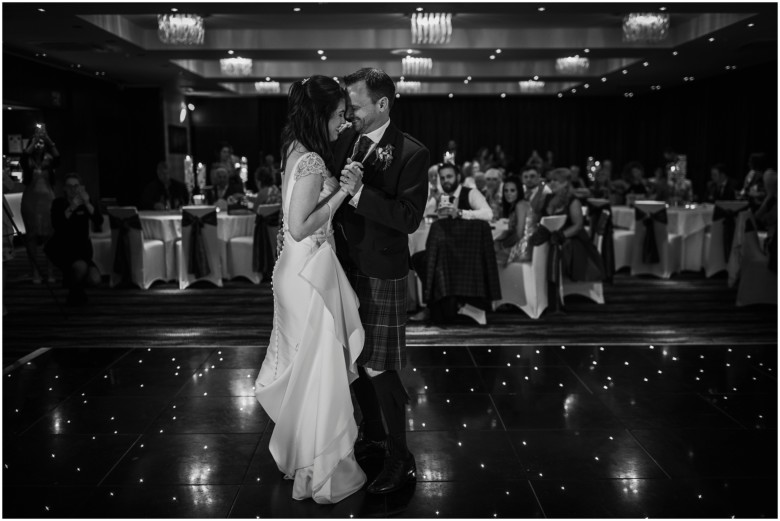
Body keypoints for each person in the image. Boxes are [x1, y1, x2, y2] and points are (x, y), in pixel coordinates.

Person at [254, 75, 365, 504]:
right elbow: (300, 228)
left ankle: (305, 462)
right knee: (317, 373)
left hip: (298, 272)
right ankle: (319, 469)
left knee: (305, 370)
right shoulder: (313, 160)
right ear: (321, 114)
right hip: (307, 274)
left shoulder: (296, 151)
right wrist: (344, 193)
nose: (344, 122)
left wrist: (334, 190)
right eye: (339, 114)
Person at [334, 68, 429, 495]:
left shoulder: (411, 153)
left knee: (381, 365)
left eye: (354, 106)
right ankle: (371, 437)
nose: (348, 114)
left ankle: (400, 457)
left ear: (382, 104)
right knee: (356, 362)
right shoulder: (345, 142)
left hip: (381, 272)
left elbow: (409, 219)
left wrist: (358, 194)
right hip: (342, 267)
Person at [410, 162, 493, 320]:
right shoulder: (445, 197)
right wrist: (432, 199)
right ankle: (439, 305)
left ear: (458, 177)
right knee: (420, 259)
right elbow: (424, 213)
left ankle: (436, 308)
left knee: (429, 261)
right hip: (447, 252)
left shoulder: (471, 193)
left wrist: (461, 213)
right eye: (442, 178)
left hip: (468, 255)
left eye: (449, 176)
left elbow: (488, 214)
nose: (446, 180)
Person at [44, 173, 103, 305]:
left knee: (95, 279)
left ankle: (73, 284)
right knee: (80, 267)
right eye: (69, 186)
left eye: (76, 186)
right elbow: (58, 225)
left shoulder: (85, 204)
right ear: (64, 188)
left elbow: (99, 221)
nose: (73, 189)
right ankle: (74, 291)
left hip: (82, 250)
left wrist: (87, 203)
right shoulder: (59, 203)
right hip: (63, 248)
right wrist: (72, 207)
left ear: (81, 188)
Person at [538, 168, 605, 282]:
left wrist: (561, 236)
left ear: (565, 183)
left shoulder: (573, 201)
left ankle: (556, 280)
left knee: (565, 247)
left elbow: (578, 226)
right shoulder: (548, 197)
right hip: (550, 237)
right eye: (551, 180)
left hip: (571, 238)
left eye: (556, 180)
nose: (552, 183)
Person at [21, 125, 58, 283]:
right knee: (31, 236)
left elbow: (58, 157)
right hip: (30, 200)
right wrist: (33, 140)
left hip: (48, 200)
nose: (39, 145)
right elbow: (23, 159)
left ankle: (50, 272)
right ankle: (34, 271)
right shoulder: (27, 159)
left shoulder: (49, 158)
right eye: (37, 142)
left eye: (41, 143)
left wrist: (48, 140)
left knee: (50, 236)